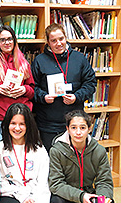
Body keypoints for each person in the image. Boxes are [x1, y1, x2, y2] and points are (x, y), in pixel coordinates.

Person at [48, 109, 114, 203]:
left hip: (87, 193)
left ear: (89, 129)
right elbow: (56, 184)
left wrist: (102, 199)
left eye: (82, 127)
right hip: (65, 196)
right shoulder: (56, 150)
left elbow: (104, 181)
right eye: (73, 127)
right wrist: (81, 196)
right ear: (67, 129)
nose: (78, 132)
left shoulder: (99, 151)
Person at [31, 23, 96, 153]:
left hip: (75, 122)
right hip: (48, 124)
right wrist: (43, 97)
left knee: (74, 160)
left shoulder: (79, 58)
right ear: (48, 43)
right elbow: (32, 88)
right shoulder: (39, 61)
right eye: (54, 40)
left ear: (66, 38)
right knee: (51, 160)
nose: (59, 43)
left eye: (61, 39)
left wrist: (77, 97)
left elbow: (90, 83)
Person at [0, 103, 50, 203]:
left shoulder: (39, 150)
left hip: (34, 198)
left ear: (28, 126)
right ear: (7, 124)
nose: (17, 128)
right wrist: (21, 196)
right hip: (11, 194)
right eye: (13, 123)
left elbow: (43, 184)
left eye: (22, 124)